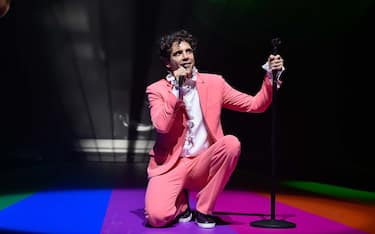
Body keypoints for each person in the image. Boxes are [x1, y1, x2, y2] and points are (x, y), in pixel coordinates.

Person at [144, 29, 284, 229]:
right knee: (157, 218)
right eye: (177, 53)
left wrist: (271, 75)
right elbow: (162, 126)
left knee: (231, 144)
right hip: (171, 166)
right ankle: (181, 203)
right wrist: (177, 89)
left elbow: (255, 105)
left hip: (202, 162)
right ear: (168, 63)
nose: (185, 56)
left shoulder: (214, 83)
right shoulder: (156, 90)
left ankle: (203, 210)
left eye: (188, 51)